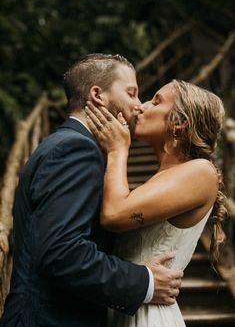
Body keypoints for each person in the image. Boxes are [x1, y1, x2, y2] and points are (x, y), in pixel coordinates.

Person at [0, 54, 183, 327]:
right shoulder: (76, 150)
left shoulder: (67, 144)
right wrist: (144, 281)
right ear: (97, 94)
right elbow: (62, 253)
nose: (138, 105)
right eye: (131, 93)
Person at [85, 79, 227, 327]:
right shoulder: (162, 179)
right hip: (125, 306)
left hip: (149, 317)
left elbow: (114, 214)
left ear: (179, 122)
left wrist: (118, 150)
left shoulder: (201, 172)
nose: (141, 106)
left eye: (156, 101)